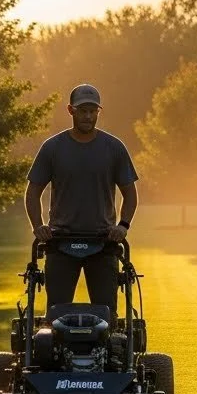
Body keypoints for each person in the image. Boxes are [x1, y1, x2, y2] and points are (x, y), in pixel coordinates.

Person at [24, 84, 138, 323]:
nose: (88, 116)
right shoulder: (53, 148)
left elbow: (130, 193)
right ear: (70, 110)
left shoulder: (113, 148)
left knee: (107, 316)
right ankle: (54, 356)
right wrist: (38, 225)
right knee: (56, 315)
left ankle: (110, 357)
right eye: (82, 110)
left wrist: (123, 226)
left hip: (103, 241)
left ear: (98, 112)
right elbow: (33, 191)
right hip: (61, 241)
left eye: (92, 111)